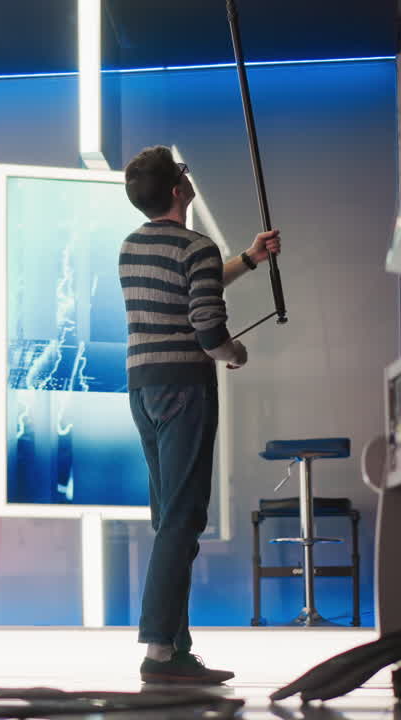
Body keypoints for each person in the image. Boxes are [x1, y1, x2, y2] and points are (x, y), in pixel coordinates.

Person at [120, 145, 281, 684]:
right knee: (183, 520)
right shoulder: (197, 247)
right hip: (186, 389)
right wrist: (235, 354)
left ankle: (176, 649)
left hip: (143, 387)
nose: (189, 179)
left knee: (169, 516)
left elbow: (189, 288)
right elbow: (209, 330)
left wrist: (250, 259)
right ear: (176, 190)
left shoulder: (133, 247)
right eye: (184, 174)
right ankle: (159, 653)